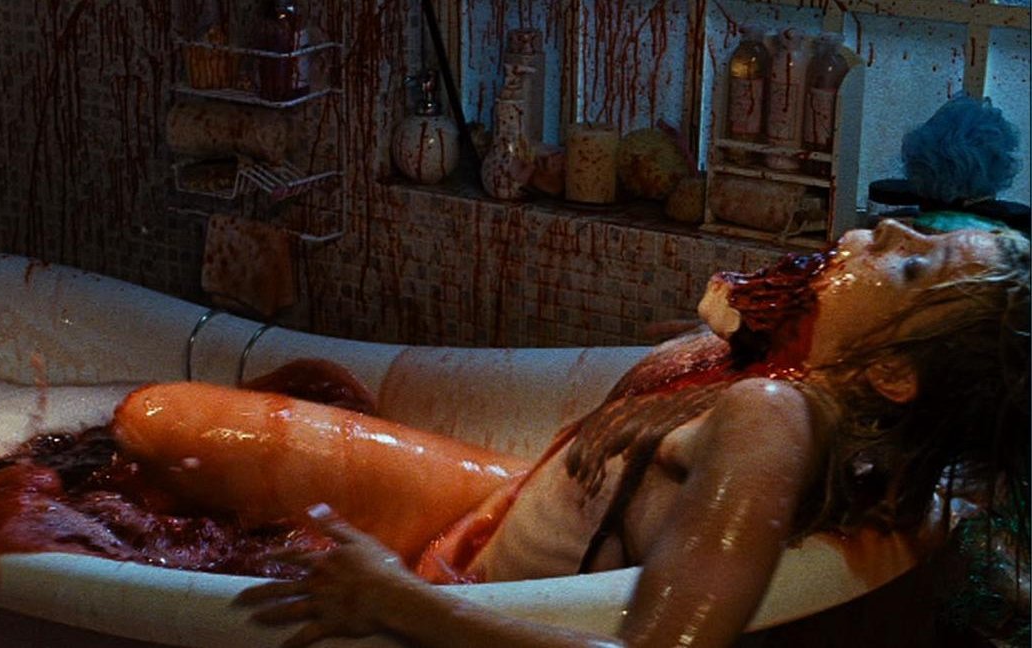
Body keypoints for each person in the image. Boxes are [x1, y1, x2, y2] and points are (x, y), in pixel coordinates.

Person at [228, 219, 1030, 648]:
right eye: (923, 233)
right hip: (480, 535)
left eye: (913, 269)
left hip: (450, 594)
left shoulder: (774, 418)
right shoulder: (804, 404)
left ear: (892, 375)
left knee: (189, 440)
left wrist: (397, 603)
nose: (887, 228)